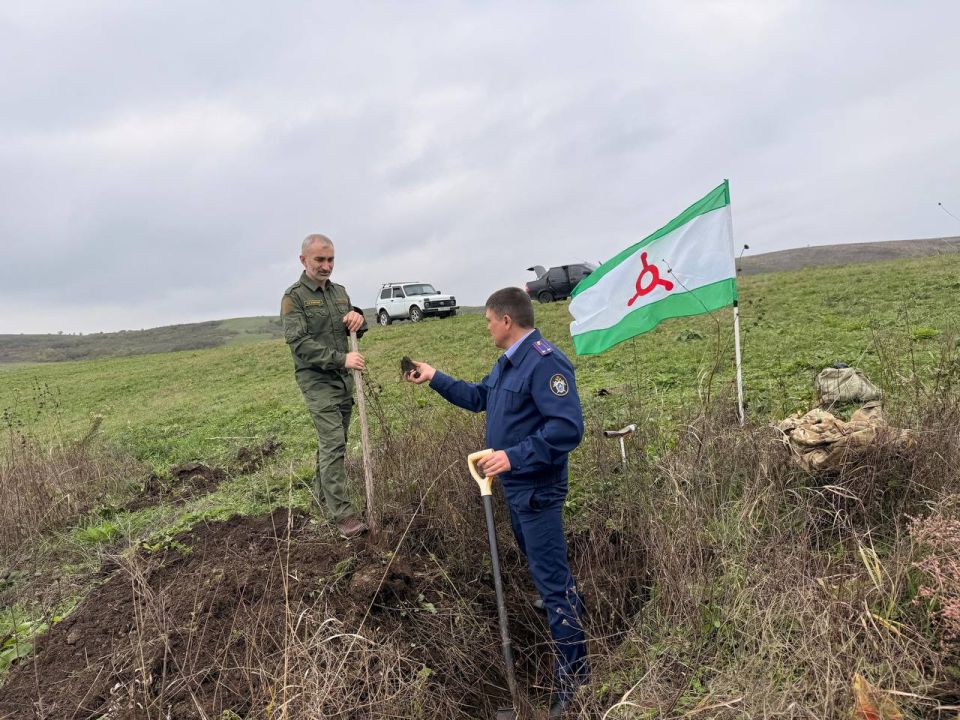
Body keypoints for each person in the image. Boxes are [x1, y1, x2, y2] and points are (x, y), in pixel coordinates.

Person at [403, 287, 587, 718]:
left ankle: (574, 679)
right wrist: (434, 376)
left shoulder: (544, 362)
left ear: (506, 320)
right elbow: (478, 398)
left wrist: (513, 456)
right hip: (516, 489)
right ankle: (564, 608)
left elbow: (567, 428)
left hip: (537, 489)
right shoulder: (508, 363)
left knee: (552, 582)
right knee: (543, 571)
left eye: (488, 321)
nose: (486, 328)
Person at [282, 233, 368, 539]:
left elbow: (355, 325)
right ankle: (343, 515)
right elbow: (299, 344)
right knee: (333, 443)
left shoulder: (339, 292)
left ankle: (321, 498)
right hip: (317, 380)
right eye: (319, 259)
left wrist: (358, 319)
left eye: (331, 259)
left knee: (336, 441)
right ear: (303, 260)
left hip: (343, 379)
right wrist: (341, 359)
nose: (326, 266)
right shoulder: (294, 298)